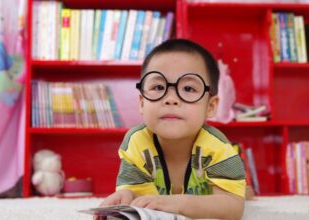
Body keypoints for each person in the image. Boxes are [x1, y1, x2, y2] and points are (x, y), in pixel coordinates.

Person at [99, 39, 246, 220]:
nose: (171, 99)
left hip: (210, 196)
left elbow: (233, 208)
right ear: (142, 103)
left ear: (211, 106)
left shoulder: (219, 148)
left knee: (241, 192)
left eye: (188, 88)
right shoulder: (136, 142)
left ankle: (245, 188)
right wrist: (127, 197)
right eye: (158, 87)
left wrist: (178, 203)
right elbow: (141, 196)